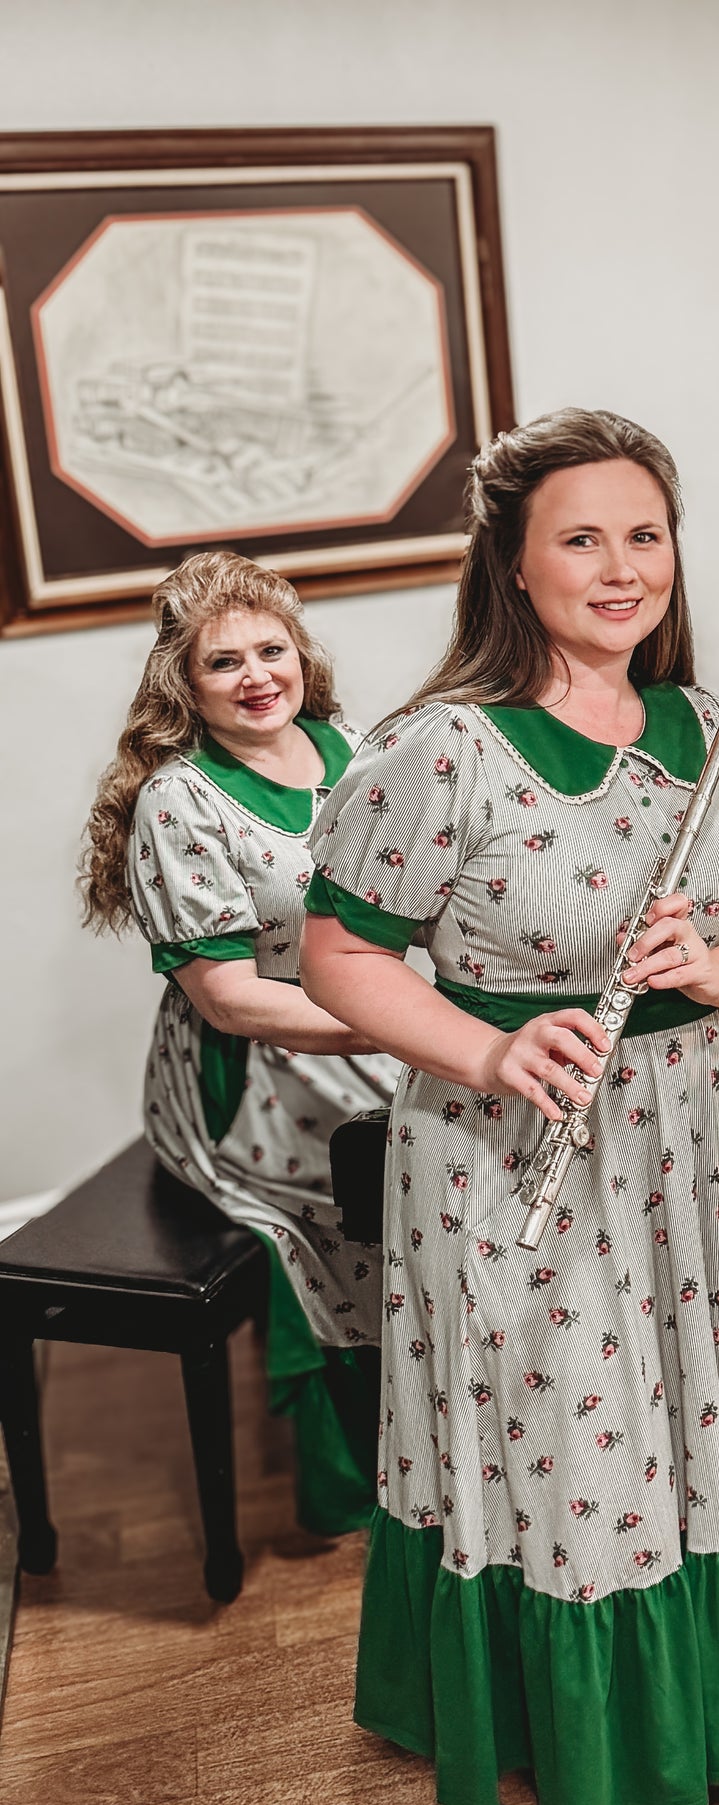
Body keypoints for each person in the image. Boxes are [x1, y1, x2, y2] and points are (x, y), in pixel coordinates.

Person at [300, 408, 719, 1805]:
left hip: (687, 1156)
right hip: (518, 1153)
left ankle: (663, 1744)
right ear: (514, 565)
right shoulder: (439, 747)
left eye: (643, 535)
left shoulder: (697, 731)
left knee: (680, 1443)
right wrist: (483, 1041)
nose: (619, 566)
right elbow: (334, 955)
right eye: (580, 537)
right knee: (578, 1465)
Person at [81, 552, 397, 1536]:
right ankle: (364, 1471)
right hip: (250, 1071)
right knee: (373, 1181)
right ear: (184, 683)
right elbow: (228, 1001)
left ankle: (467, 1421)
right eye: (226, 662)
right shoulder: (178, 803)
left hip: (369, 1020)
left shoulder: (349, 747)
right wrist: (406, 1026)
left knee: (470, 1137)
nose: (259, 674)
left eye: (274, 649)